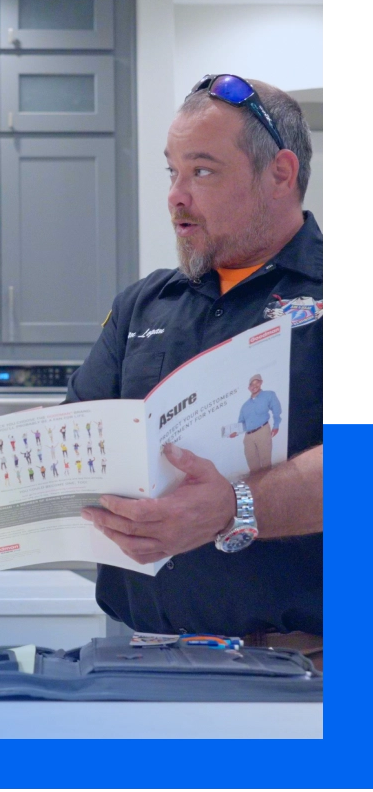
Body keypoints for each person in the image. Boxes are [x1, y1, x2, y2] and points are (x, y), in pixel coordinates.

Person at [66, 75, 323, 669]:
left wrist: (232, 506)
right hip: (136, 661)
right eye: (171, 172)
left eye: (202, 171)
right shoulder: (143, 304)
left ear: (280, 174)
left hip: (305, 672)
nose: (176, 196)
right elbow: (79, 434)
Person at [228, 374, 281, 470]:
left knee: (266, 463)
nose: (254, 386)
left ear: (261, 383)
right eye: (251, 384)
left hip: (262, 431)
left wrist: (276, 425)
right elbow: (241, 423)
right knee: (252, 465)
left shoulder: (269, 395)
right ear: (248, 388)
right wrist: (236, 432)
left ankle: (268, 485)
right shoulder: (245, 406)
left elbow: (276, 410)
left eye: (257, 383)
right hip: (248, 437)